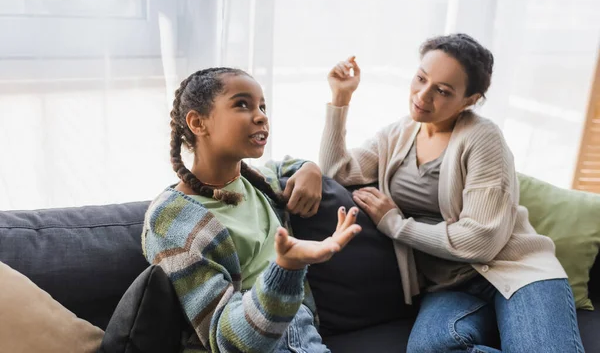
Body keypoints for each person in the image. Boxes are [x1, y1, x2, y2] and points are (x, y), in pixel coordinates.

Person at [320, 34, 584, 352]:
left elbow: (481, 241)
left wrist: (396, 225)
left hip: (517, 272)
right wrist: (340, 99)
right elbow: (337, 173)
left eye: (443, 91)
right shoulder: (396, 135)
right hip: (449, 286)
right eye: (421, 78)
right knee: (430, 349)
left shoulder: (482, 138)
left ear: (470, 100)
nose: (422, 95)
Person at [142, 67, 361, 352]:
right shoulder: (170, 219)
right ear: (198, 123)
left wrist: (310, 168)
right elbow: (228, 340)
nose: (261, 116)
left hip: (300, 331)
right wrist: (286, 269)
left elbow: (284, 166)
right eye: (242, 104)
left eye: (262, 106)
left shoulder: (260, 183)